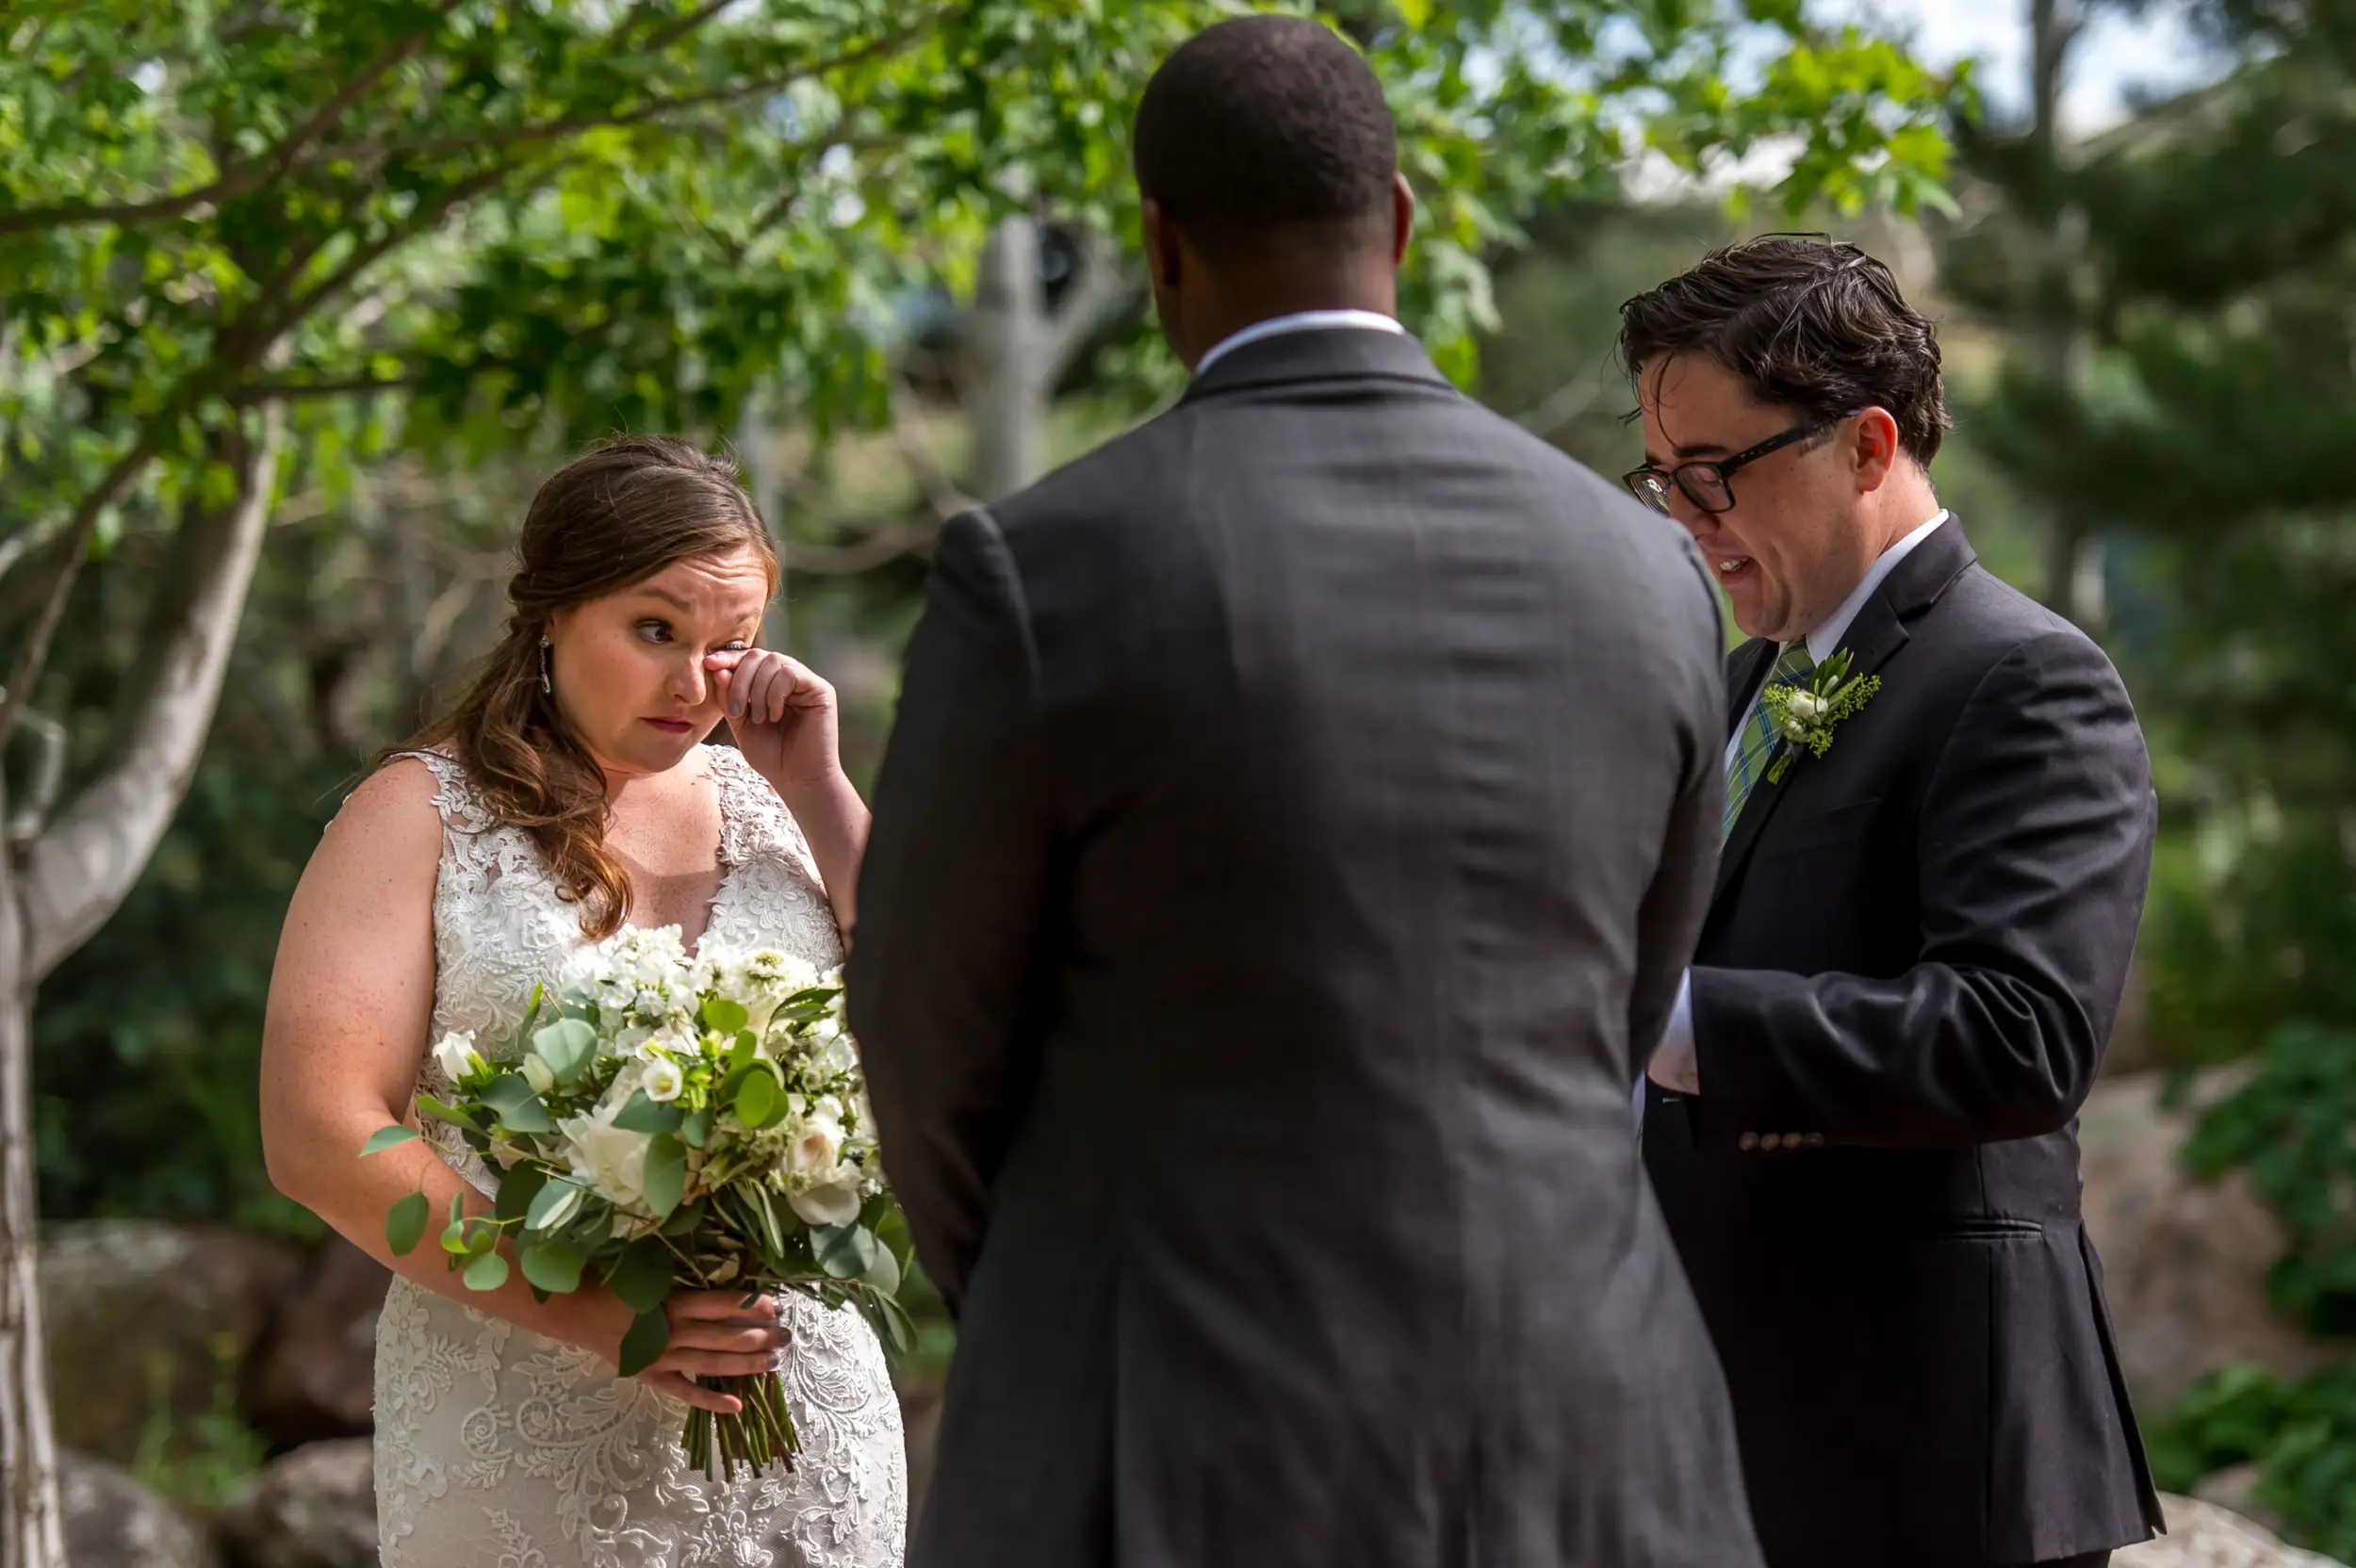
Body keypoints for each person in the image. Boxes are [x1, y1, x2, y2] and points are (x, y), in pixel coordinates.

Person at [848, 17, 1762, 1568]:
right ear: (1402, 217)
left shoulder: (1044, 570)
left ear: (1157, 248)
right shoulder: (1651, 569)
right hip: (1591, 1431)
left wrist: (1067, 1298)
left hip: (1178, 1432)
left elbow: (926, 1041)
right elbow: (1632, 991)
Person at [259, 436, 905, 1567]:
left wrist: (817, 784)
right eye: (656, 629)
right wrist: (597, 1311)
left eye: (731, 644)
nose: (693, 681)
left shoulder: (782, 807)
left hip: (804, 1424)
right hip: (526, 1426)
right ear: (552, 613)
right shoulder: (420, 814)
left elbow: (934, 1011)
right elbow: (320, 1131)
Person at [1623, 237, 2164, 1568]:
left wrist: (1668, 1020)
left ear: (1866, 446)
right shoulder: (1749, 688)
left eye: (1713, 474)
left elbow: (2015, 1035)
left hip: (1930, 1459)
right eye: (1662, 479)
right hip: (1737, 1439)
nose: (1685, 518)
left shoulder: (2025, 678)